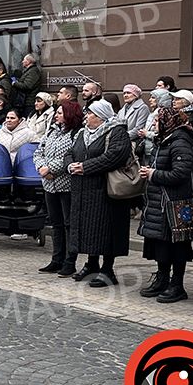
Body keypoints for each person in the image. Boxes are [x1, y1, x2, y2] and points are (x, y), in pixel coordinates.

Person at [67, 99, 133, 287]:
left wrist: (85, 167)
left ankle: (107, 270)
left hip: (107, 191)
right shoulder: (82, 132)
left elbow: (114, 156)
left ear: (101, 116)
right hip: (83, 190)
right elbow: (70, 152)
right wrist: (70, 165)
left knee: (106, 230)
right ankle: (92, 264)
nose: (86, 117)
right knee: (88, 229)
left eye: (90, 114)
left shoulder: (117, 132)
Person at [137, 106, 193, 303]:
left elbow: (180, 173)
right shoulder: (163, 140)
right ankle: (162, 278)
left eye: (156, 121)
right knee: (160, 243)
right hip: (159, 200)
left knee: (177, 246)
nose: (154, 125)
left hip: (175, 203)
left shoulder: (180, 142)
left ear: (167, 122)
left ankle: (177, 284)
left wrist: (153, 174)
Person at [36, 100, 82, 275]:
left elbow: (70, 155)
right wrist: (42, 168)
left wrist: (51, 168)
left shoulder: (77, 133)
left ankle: (70, 261)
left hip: (66, 185)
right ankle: (56, 259)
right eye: (57, 112)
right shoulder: (52, 131)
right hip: (49, 184)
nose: (56, 115)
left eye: (60, 113)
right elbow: (39, 151)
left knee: (69, 224)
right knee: (56, 224)